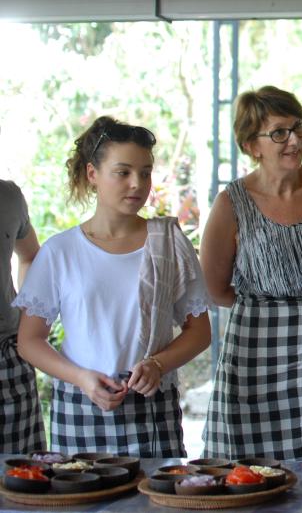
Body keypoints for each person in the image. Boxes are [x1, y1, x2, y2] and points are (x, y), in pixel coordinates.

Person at [15, 117, 211, 456]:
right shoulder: (61, 251)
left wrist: (159, 365)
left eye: (146, 173)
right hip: (80, 406)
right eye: (123, 172)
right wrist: (81, 378)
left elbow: (199, 331)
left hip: (152, 408)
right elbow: (30, 341)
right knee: (78, 505)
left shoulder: (168, 243)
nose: (137, 184)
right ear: (93, 174)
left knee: (157, 507)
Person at [202, 86, 302, 461]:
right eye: (279, 132)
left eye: (299, 128)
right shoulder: (231, 202)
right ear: (252, 145)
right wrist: (270, 309)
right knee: (253, 466)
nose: (294, 140)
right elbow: (215, 288)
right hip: (255, 353)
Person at [1, 178, 45, 452]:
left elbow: (30, 256)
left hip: (6, 361)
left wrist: (28, 322)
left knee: (24, 478)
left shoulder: (8, 196)